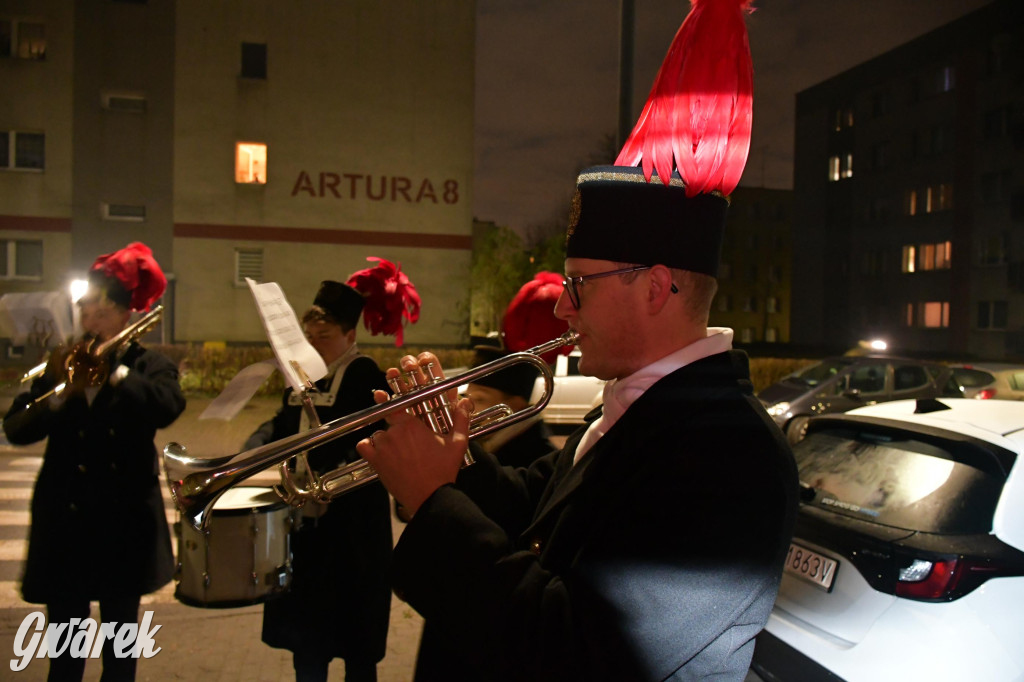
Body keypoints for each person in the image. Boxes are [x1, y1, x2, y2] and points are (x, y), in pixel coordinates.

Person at [356, 2, 799, 679]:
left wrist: (433, 501)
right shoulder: (636, 410)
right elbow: (535, 512)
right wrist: (446, 450)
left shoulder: (728, 454)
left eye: (580, 285)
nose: (561, 307)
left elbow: (575, 651)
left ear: (655, 288)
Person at [3, 242, 185, 682]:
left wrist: (116, 376)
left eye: (100, 312)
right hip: (66, 525)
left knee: (120, 654)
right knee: (64, 655)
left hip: (122, 528)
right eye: (85, 310)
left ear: (124, 316)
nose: (90, 320)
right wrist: (62, 394)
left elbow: (167, 406)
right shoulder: (62, 363)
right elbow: (17, 428)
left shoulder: (149, 364)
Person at [249, 261, 419, 682]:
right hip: (308, 532)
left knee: (356, 646)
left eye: (323, 336)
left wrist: (326, 467)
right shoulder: (301, 379)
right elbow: (283, 424)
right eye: (308, 336)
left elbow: (370, 434)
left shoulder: (364, 374)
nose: (313, 343)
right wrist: (253, 447)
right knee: (309, 646)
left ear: (348, 336)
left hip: (353, 529)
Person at [412, 276, 564, 682]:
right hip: (449, 621)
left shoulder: (541, 457)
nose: (466, 411)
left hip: (487, 637)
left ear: (514, 405)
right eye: (464, 400)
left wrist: (433, 490)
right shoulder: (478, 446)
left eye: (477, 403)